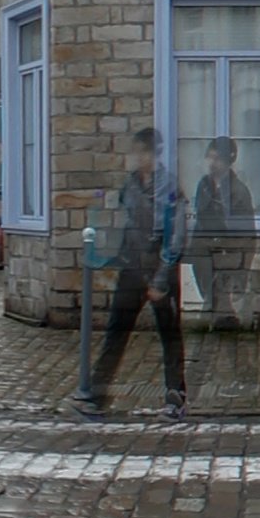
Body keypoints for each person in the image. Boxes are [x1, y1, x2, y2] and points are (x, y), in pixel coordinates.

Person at [79, 153, 186, 414]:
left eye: (142, 152)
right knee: (116, 331)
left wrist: (161, 278)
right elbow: (123, 222)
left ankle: (175, 396)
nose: (137, 158)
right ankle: (97, 394)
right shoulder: (130, 185)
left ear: (153, 155)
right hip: (131, 270)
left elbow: (176, 236)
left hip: (159, 268)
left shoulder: (169, 186)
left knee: (169, 335)